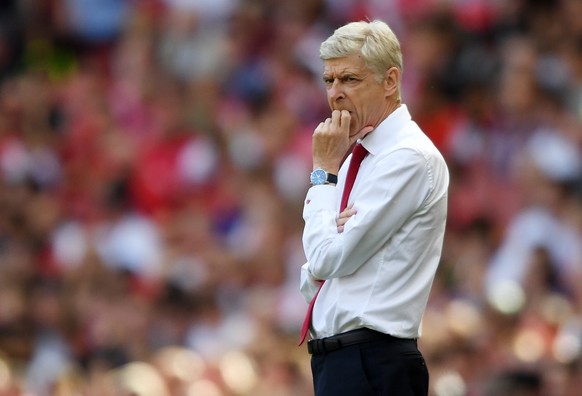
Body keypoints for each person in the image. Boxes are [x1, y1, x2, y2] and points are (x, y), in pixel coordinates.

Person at [299, 20, 449, 395]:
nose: (335, 94)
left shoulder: (407, 158)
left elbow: (325, 260)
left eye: (349, 79)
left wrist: (322, 174)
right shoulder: (358, 154)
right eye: (329, 81)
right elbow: (312, 277)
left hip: (372, 362)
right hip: (344, 361)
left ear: (390, 80)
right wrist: (328, 247)